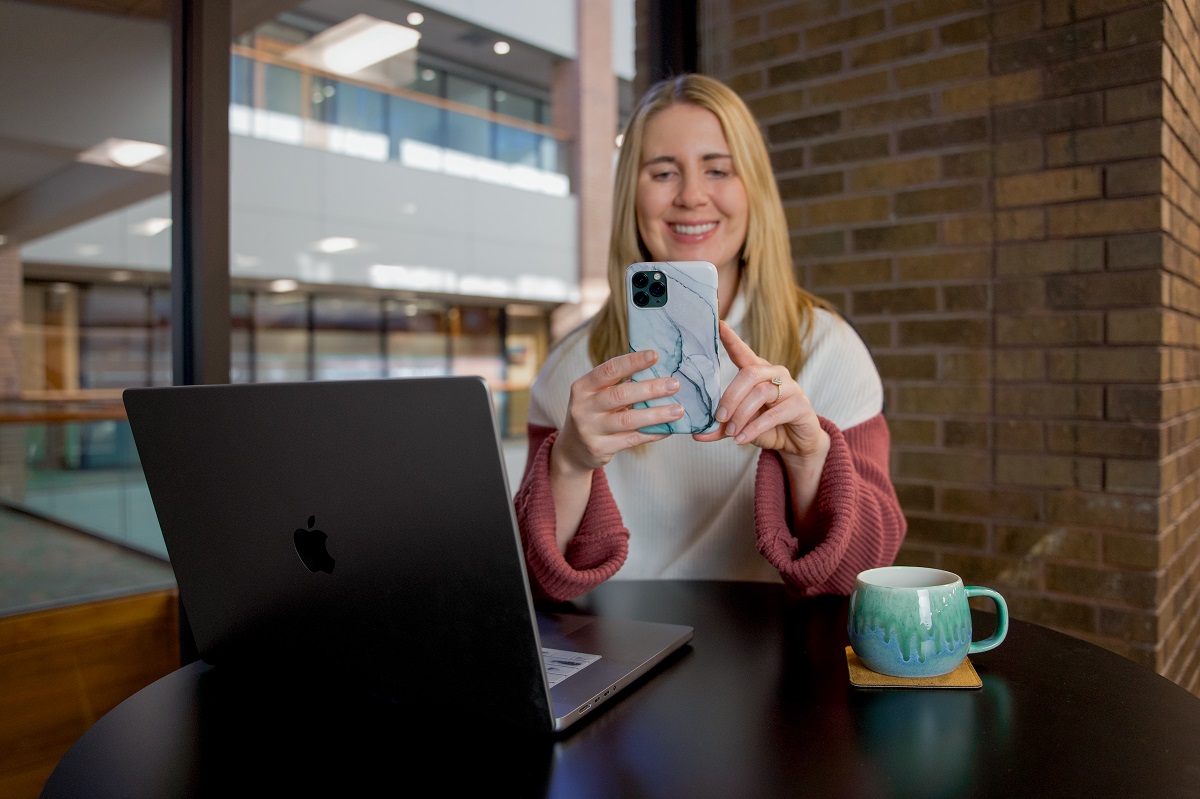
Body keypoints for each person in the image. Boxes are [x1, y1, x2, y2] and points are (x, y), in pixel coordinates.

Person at [514, 73, 905, 602]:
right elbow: (532, 584)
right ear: (633, 193)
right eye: (663, 172)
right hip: (614, 650)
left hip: (767, 650)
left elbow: (859, 575)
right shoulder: (571, 367)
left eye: (718, 169)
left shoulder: (828, 351)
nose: (692, 196)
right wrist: (570, 462)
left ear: (754, 192)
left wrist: (809, 458)